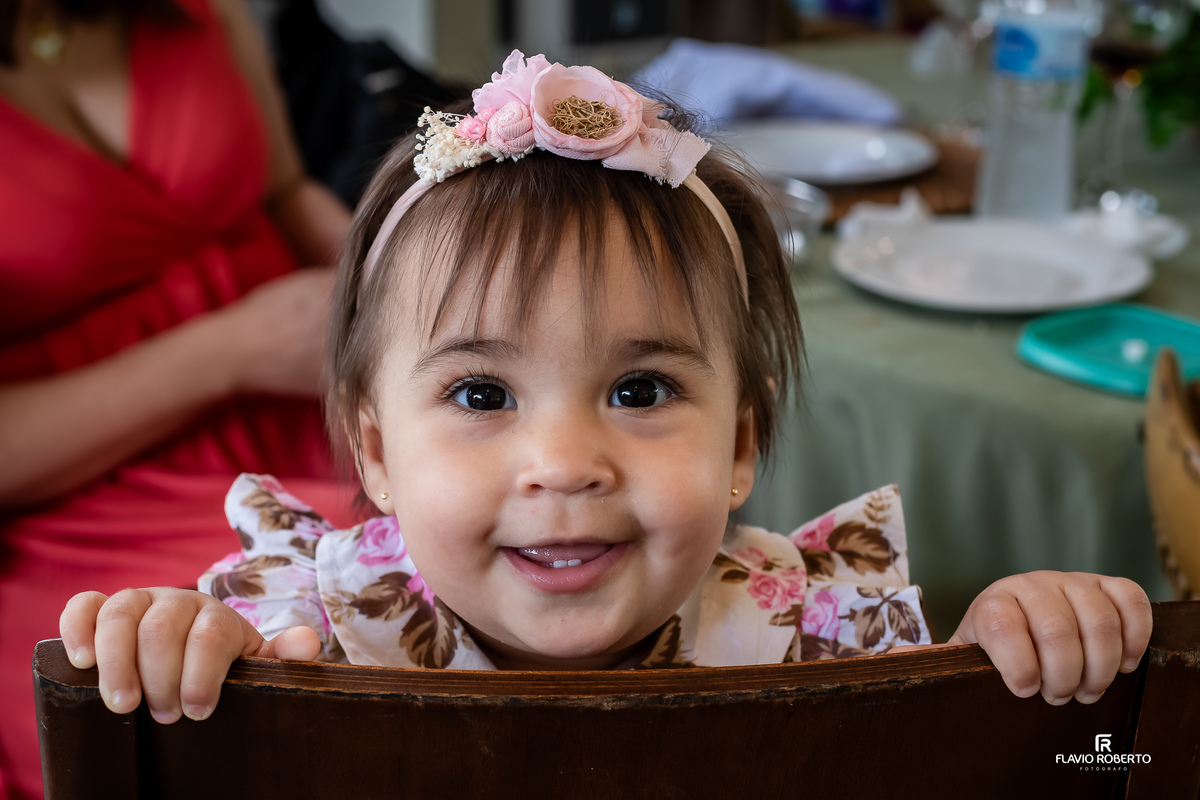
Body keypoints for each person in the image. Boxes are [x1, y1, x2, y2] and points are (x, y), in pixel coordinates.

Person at [60, 51, 1152, 728]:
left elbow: (1022, 756)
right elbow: (185, 722)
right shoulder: (297, 640)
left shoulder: (830, 639)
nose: (567, 462)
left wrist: (1022, 655)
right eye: (483, 395)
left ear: (741, 444)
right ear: (378, 453)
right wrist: (169, 661)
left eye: (639, 387)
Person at [0, 0, 358, 795]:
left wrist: (412, 301)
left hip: (321, 400)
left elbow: (286, 193)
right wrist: (230, 352)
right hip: (87, 488)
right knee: (286, 676)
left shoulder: (200, 12)